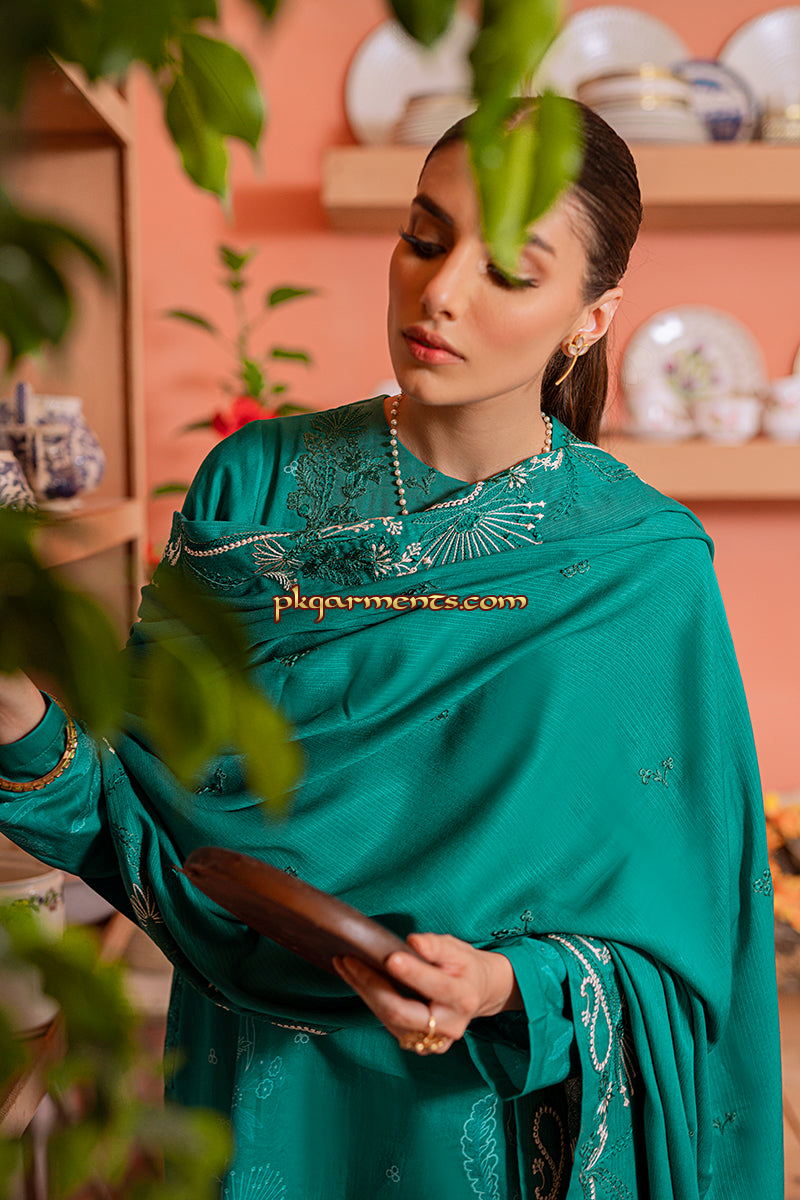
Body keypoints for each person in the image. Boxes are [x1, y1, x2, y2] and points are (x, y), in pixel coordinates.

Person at [0, 100, 783, 1199]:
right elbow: (134, 823)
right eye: (424, 236)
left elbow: (687, 945)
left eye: (507, 271)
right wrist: (12, 708)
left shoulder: (641, 570)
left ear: (588, 319)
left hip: (478, 1116)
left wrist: (503, 985)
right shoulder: (253, 487)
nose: (441, 291)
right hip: (251, 1089)